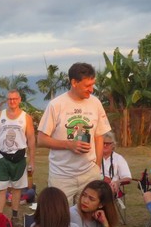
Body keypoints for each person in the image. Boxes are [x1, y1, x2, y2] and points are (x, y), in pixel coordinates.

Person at [37, 62, 113, 201]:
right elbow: (41, 139)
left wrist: (97, 167)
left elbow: (99, 136)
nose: (91, 90)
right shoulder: (56, 105)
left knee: (88, 213)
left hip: (89, 174)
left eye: (93, 85)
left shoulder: (95, 103)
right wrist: (69, 145)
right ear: (74, 82)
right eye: (87, 86)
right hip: (61, 176)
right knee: (61, 213)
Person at [0, 90, 35, 227]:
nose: (12, 101)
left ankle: (14, 216)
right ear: (7, 100)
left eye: (14, 99)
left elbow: (31, 138)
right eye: (9, 99)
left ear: (19, 100)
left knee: (17, 188)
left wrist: (32, 160)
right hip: (3, 156)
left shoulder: (26, 117)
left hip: (20, 157)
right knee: (1, 188)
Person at [100, 132, 132, 201]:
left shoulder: (118, 158)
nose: (105, 145)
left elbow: (128, 178)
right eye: (103, 143)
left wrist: (117, 182)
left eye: (108, 143)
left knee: (109, 189)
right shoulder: (94, 157)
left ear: (113, 145)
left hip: (112, 187)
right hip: (96, 185)